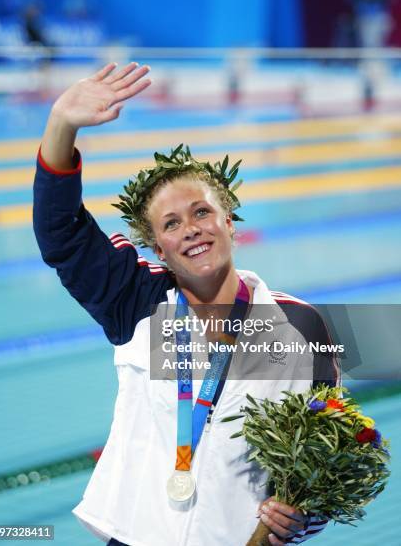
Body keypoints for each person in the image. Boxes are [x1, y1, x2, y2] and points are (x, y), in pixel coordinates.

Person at [33, 62, 339, 546]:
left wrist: (302, 517)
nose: (191, 228)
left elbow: (328, 446)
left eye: (202, 212)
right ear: (159, 249)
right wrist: (61, 123)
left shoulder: (300, 325)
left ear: (230, 223)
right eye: (171, 224)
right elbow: (61, 236)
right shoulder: (138, 303)